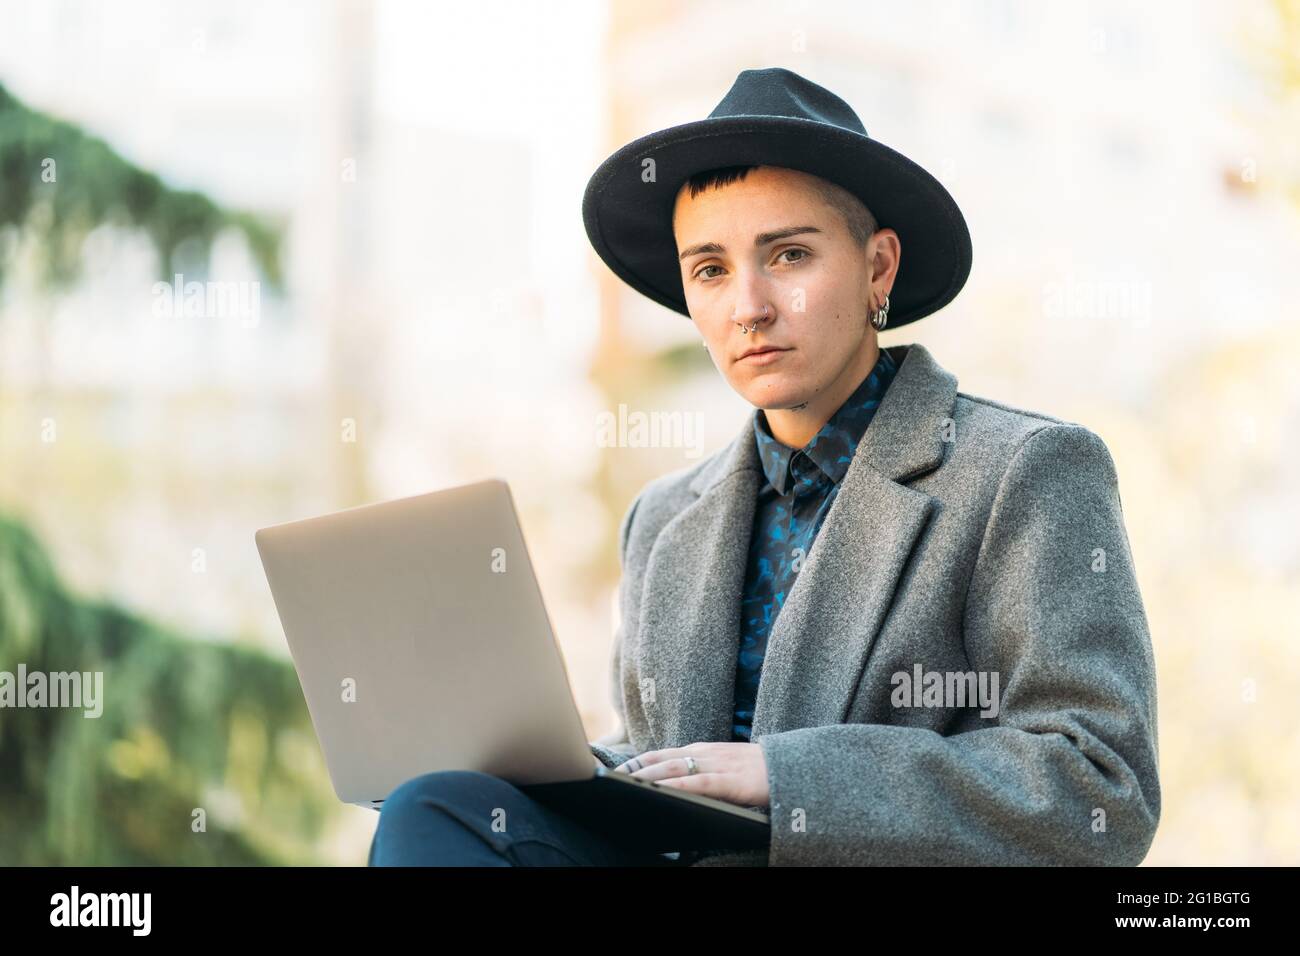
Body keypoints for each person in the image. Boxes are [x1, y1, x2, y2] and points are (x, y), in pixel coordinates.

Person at [371, 67, 1160, 867]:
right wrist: (567, 775)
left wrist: (791, 781)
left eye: (787, 255)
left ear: (878, 268)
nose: (747, 306)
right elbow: (661, 761)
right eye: (709, 270)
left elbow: (1100, 787)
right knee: (439, 806)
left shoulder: (1024, 472)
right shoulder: (663, 517)